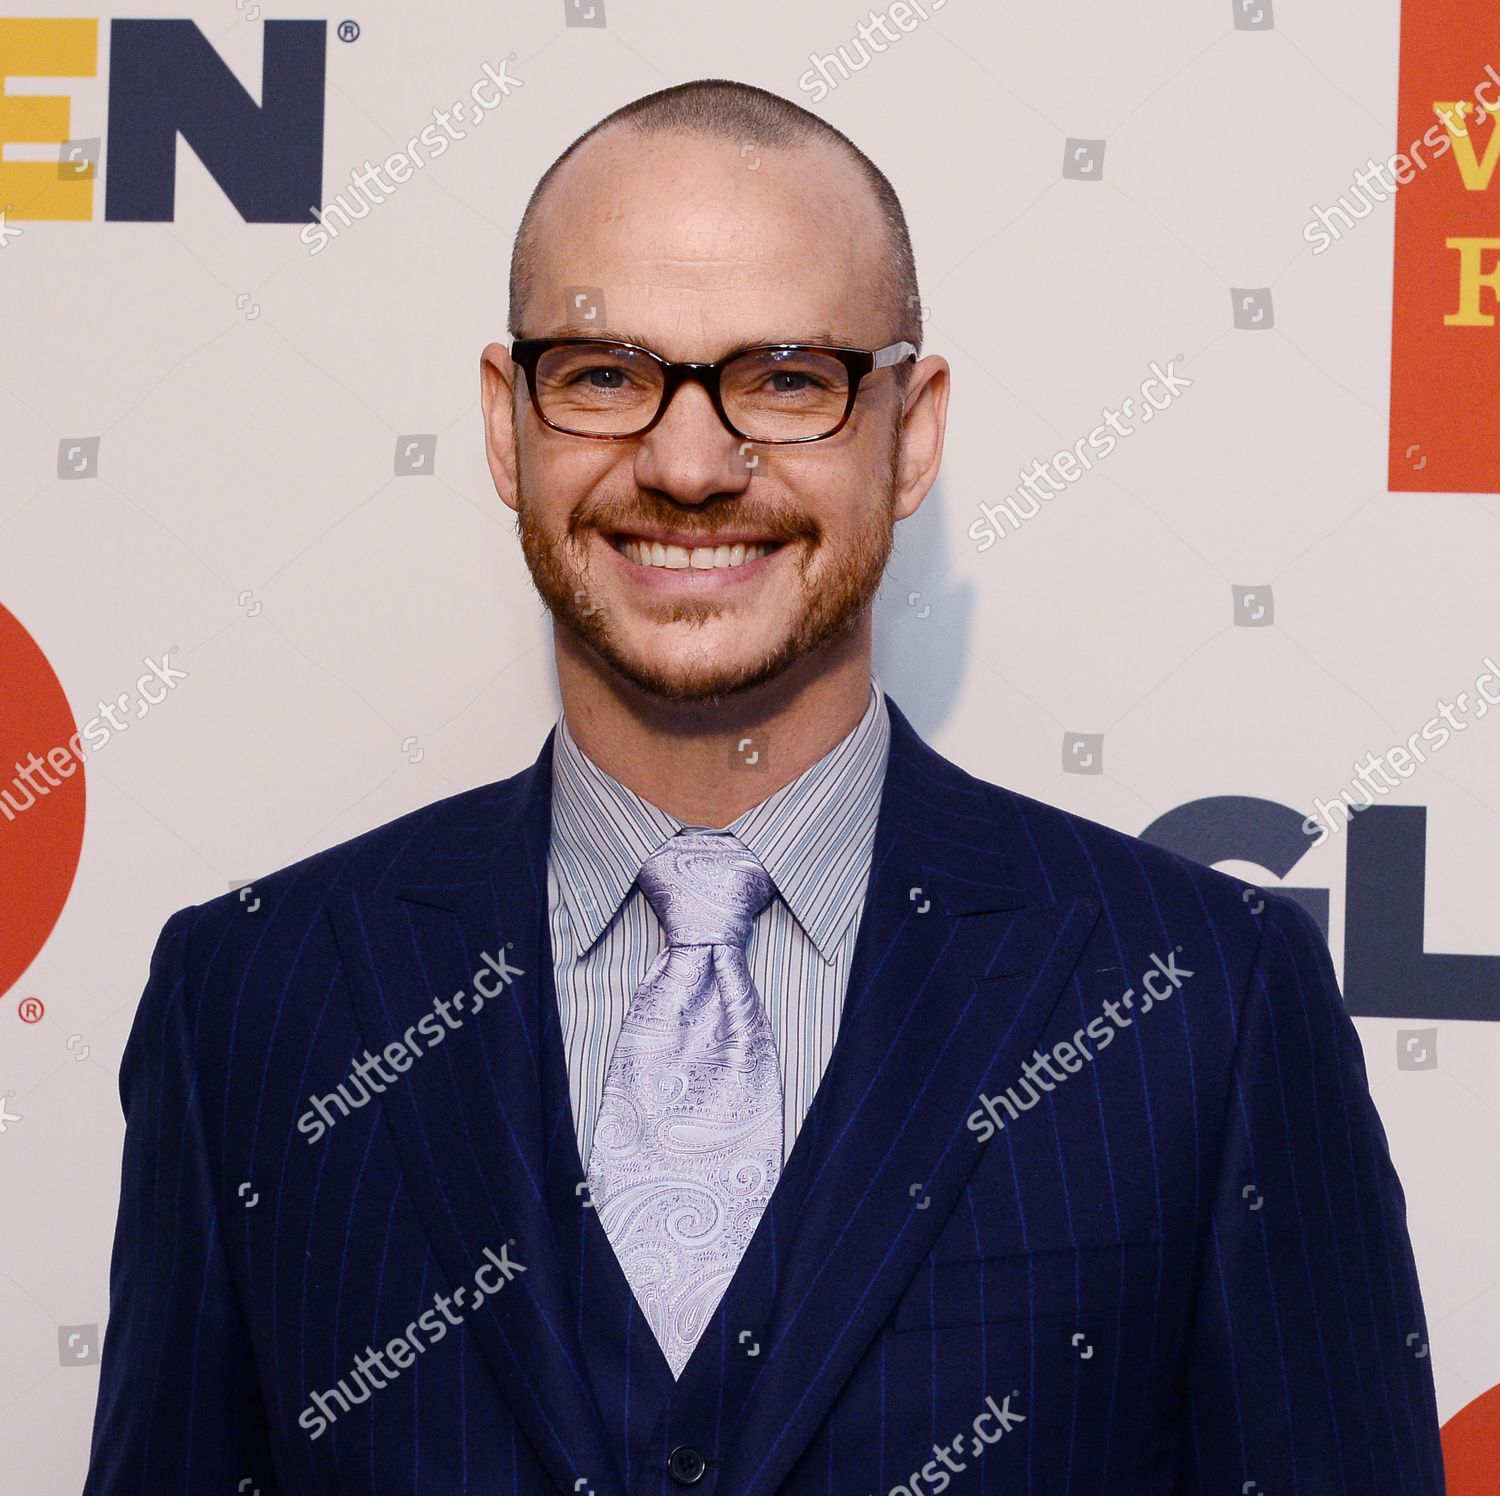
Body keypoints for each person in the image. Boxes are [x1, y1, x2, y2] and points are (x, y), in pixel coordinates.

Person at [84, 78, 1445, 1495]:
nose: (687, 464)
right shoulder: (252, 1000)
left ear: (909, 431)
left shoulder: (1203, 1002)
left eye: (788, 379)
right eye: (606, 374)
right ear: (507, 423)